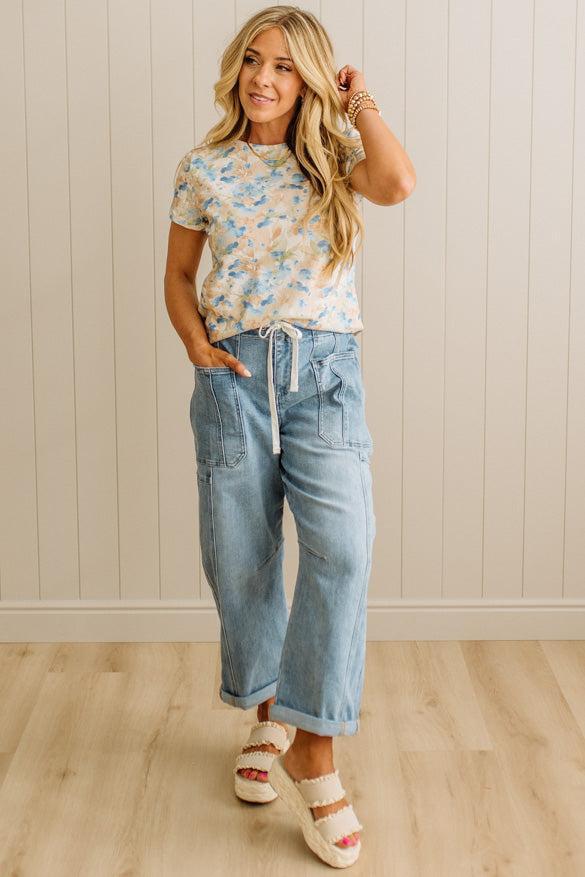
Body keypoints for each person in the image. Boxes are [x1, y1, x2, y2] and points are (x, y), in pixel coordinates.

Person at [164, 5, 415, 868]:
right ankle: (266, 711)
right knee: (241, 557)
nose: (262, 78)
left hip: (324, 379)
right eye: (251, 62)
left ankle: (315, 746)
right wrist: (198, 346)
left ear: (309, 79)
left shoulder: (334, 160)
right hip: (233, 378)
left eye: (282, 66)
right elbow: (178, 273)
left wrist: (360, 104)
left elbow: (399, 184)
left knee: (342, 547)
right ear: (236, 70)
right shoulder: (204, 167)